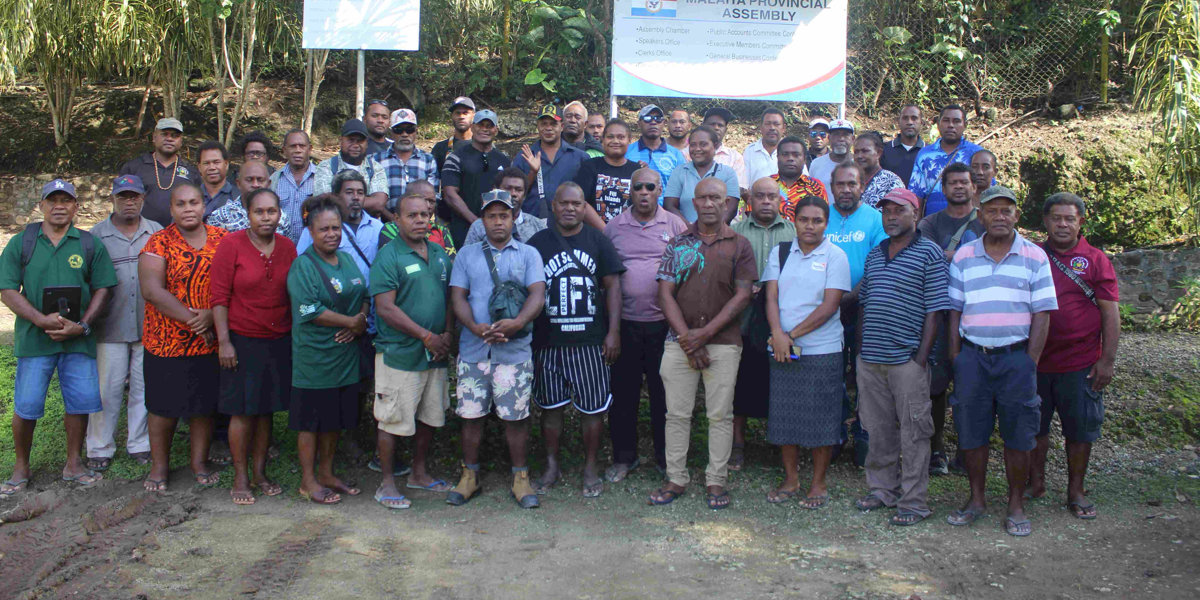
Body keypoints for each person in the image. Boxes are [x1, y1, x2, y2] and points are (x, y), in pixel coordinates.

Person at [946, 185, 1057, 537]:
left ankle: (1015, 504)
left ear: (1017, 216)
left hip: (1016, 359)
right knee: (972, 431)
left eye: (1006, 211)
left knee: (1019, 435)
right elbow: (954, 312)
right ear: (980, 215)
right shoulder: (964, 256)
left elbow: (1042, 314)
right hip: (973, 358)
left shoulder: (1035, 256)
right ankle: (976, 499)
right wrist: (956, 358)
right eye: (992, 210)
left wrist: (1030, 361)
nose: (999, 217)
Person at [0, 179, 118, 496]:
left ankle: (74, 463)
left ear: (76, 207)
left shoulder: (88, 243)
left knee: (78, 403)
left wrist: (82, 326)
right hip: (34, 339)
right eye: (52, 200)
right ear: (41, 205)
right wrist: (39, 320)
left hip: (77, 340)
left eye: (67, 200)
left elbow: (104, 288)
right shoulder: (22, 242)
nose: (59, 205)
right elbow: (7, 289)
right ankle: (21, 467)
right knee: (26, 405)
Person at [649, 178, 757, 511]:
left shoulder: (740, 245)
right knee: (676, 414)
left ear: (727, 204)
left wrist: (704, 335)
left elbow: (743, 296)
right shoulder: (678, 243)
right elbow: (664, 293)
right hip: (679, 343)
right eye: (703, 198)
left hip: (723, 344)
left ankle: (716, 480)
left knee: (720, 415)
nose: (709, 203)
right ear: (692, 203)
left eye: (716, 198)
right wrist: (689, 340)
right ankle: (676, 478)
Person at [853, 188, 949, 525]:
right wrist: (862, 349)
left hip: (907, 359)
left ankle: (914, 502)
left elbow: (936, 311)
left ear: (916, 214)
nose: (891, 217)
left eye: (899, 210)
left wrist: (920, 359)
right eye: (886, 211)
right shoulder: (875, 254)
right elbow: (865, 302)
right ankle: (883, 490)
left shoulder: (930, 253)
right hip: (871, 359)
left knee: (915, 433)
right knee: (877, 429)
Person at [447, 190, 546, 509]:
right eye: (491, 215)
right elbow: (458, 297)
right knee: (471, 415)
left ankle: (520, 477)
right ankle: (469, 476)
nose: (498, 221)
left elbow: (537, 295)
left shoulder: (529, 254)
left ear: (513, 217)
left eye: (504, 215)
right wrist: (473, 327)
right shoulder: (466, 255)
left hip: (514, 351)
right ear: (483, 219)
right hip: (474, 348)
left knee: (516, 417)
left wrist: (518, 322)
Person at [527, 183, 625, 497]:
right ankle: (552, 465)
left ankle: (590, 468)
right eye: (564, 203)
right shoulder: (538, 243)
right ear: (553, 206)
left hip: (590, 341)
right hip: (549, 340)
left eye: (577, 203)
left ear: (585, 207)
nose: (570, 208)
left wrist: (613, 332)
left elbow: (613, 286)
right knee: (550, 409)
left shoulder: (598, 240)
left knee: (593, 409)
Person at [1026, 192, 1119, 520]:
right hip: (1036, 362)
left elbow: (1110, 313)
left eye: (1069, 218)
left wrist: (1106, 361)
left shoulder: (1095, 260)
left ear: (1081, 222)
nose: (1062, 224)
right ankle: (1034, 484)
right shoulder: (1032, 255)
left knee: (1080, 431)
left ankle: (1076, 491)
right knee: (1034, 429)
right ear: (1045, 222)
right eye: (1056, 218)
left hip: (1080, 364)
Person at [369, 193, 457, 509]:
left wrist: (446, 333)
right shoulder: (388, 256)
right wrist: (425, 336)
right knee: (392, 419)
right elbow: (385, 308)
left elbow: (449, 299)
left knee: (430, 416)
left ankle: (418, 473)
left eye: (425, 215)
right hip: (400, 352)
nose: (420, 220)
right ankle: (387, 483)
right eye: (412, 215)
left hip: (435, 352)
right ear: (398, 219)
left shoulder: (440, 254)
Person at [762, 195, 850, 508]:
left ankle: (818, 483)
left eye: (817, 221)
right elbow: (770, 297)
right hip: (783, 347)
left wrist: (790, 335)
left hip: (822, 350)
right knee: (785, 413)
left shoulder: (835, 255)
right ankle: (790, 479)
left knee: (822, 417)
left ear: (827, 224)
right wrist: (777, 334)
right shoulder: (781, 252)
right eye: (804, 220)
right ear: (794, 220)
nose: (810, 226)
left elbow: (830, 305)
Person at [138, 184, 227, 492]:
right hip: (166, 341)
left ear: (204, 205)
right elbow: (152, 291)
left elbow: (233, 285)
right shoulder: (158, 241)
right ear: (171, 209)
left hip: (209, 340)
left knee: (203, 406)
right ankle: (160, 466)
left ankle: (198, 462)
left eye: (194, 202)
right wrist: (195, 319)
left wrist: (210, 319)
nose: (188, 208)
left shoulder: (223, 239)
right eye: (181, 204)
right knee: (163, 407)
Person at [211, 188, 297, 505]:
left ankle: (260, 472)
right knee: (242, 411)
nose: (266, 217)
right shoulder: (231, 244)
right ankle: (241, 476)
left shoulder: (287, 247)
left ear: (279, 214)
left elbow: (293, 292)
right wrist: (224, 342)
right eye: (259, 211)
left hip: (277, 339)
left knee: (265, 412)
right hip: (242, 339)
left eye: (271, 211)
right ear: (248, 213)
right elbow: (218, 297)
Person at [604, 168, 689, 482]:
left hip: (663, 325)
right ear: (630, 191)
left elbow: (688, 270)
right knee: (623, 395)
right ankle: (624, 458)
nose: (643, 192)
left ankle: (667, 460)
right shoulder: (614, 227)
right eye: (637, 186)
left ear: (659, 190)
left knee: (663, 395)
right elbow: (607, 277)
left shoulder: (675, 224)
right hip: (625, 324)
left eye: (650, 187)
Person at [287, 194, 370, 504]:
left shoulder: (346, 259)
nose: (332, 234)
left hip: (344, 358)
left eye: (336, 228)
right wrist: (351, 322)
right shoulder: (303, 266)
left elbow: (364, 291)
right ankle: (308, 480)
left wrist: (359, 319)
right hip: (314, 358)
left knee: (333, 419)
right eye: (324, 229)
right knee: (310, 422)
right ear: (310, 230)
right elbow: (309, 309)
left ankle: (326, 472)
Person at [85, 175, 162, 472]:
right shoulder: (95, 236)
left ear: (142, 198)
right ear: (113, 199)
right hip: (110, 327)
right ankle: (99, 447)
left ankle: (140, 444)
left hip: (149, 326)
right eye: (123, 196)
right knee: (107, 389)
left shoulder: (155, 232)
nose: (129, 202)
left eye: (134, 196)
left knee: (144, 388)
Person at [916, 162, 984, 475]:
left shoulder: (986, 222)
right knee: (937, 386)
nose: (958, 187)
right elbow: (925, 258)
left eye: (964, 182)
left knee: (973, 386)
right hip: (940, 313)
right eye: (952, 183)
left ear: (974, 187)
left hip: (980, 312)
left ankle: (967, 450)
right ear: (943, 190)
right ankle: (937, 450)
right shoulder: (930, 222)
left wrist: (951, 256)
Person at [728, 177, 797, 471]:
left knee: (782, 383)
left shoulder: (795, 231)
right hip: (742, 322)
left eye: (772, 196)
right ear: (750, 201)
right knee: (739, 385)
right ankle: (737, 446)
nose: (767, 201)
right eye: (761, 196)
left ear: (780, 200)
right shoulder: (734, 232)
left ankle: (780, 444)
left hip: (784, 321)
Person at [827, 162, 888, 465]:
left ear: (862, 186)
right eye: (841, 184)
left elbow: (878, 263)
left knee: (865, 372)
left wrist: (851, 296)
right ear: (831, 186)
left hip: (866, 309)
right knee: (832, 371)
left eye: (852, 184)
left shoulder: (876, 219)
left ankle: (865, 433)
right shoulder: (820, 216)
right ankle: (836, 430)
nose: (846, 189)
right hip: (826, 312)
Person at [442, 109, 512, 248]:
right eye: (480, 125)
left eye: (489, 126)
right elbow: (449, 194)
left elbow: (512, 193)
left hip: (497, 232)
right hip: (463, 230)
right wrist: (476, 222)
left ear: (496, 130)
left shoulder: (505, 161)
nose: (484, 129)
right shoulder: (456, 157)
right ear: (472, 127)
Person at [119, 118, 201, 228]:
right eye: (164, 134)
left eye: (174, 135)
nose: (169, 139)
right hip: (142, 235)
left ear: (181, 141)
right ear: (154, 137)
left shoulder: (191, 172)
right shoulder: (134, 168)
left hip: (181, 235)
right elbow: (120, 201)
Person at [908, 104, 988, 216]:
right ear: (938, 124)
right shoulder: (924, 155)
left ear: (965, 125)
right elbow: (917, 195)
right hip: (933, 222)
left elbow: (987, 190)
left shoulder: (977, 154)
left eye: (956, 121)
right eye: (946, 120)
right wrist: (917, 229)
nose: (951, 125)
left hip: (969, 222)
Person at [512, 105, 588, 218]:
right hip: (532, 224)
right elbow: (515, 196)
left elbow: (587, 197)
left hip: (568, 224)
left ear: (562, 126)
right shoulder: (524, 156)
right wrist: (533, 172)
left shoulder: (580, 157)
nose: (548, 128)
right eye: (544, 124)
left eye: (553, 124)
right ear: (537, 126)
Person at [663, 126, 741, 223]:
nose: (697, 149)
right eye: (692, 145)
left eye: (703, 144)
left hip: (720, 234)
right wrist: (690, 230)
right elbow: (670, 206)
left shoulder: (728, 173)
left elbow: (731, 209)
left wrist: (713, 231)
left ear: (715, 146)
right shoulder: (679, 172)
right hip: (687, 234)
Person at [573, 119, 639, 224]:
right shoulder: (589, 166)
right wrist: (606, 231)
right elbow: (580, 202)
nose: (615, 141)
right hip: (594, 235)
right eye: (610, 137)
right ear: (602, 140)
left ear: (629, 140)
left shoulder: (637, 171)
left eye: (621, 137)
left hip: (627, 235)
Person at [313, 119, 389, 209]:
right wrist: (363, 203)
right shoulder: (326, 166)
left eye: (360, 141)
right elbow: (325, 201)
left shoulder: (375, 168)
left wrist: (340, 203)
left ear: (367, 143)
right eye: (351, 140)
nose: (356, 145)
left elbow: (378, 203)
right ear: (341, 141)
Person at [377, 108, 439, 217]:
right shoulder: (376, 160)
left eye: (409, 129)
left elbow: (433, 198)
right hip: (385, 226)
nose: (404, 134)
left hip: (419, 225)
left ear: (416, 131)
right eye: (398, 130)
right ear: (391, 133)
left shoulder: (428, 160)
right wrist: (394, 221)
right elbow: (373, 196)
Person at [462, 169, 547, 246]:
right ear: (495, 189)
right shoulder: (479, 226)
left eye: (518, 190)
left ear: (524, 195)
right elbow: (467, 259)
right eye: (508, 188)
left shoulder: (538, 226)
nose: (513, 193)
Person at [208, 161, 293, 234]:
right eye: (249, 180)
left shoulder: (281, 218)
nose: (255, 185)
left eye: (260, 180)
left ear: (269, 184)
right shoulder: (220, 217)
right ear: (238, 183)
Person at [379, 179, 458, 256]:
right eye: (422, 200)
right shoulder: (391, 229)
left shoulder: (442, 231)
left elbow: (450, 264)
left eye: (432, 201)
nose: (428, 206)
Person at [626, 104, 686, 194]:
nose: (653, 122)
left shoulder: (676, 155)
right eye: (647, 118)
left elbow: (683, 187)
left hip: (666, 207)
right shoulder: (627, 152)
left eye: (658, 118)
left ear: (664, 123)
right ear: (639, 124)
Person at [270, 129, 316, 242]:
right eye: (293, 146)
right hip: (280, 248)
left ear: (309, 149)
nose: (297, 150)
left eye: (302, 146)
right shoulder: (274, 180)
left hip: (312, 249)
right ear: (284, 150)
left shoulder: (321, 178)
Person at [771, 136, 827, 220]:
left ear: (804, 160)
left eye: (796, 155)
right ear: (777, 158)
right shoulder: (765, 185)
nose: (790, 159)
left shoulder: (817, 187)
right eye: (785, 154)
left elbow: (824, 219)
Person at [702, 107, 749, 197]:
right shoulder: (690, 153)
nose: (716, 128)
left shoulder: (735, 158)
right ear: (703, 126)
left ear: (725, 130)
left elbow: (738, 189)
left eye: (720, 125)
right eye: (712, 124)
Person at [854, 132, 905, 208]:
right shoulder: (851, 180)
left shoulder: (891, 182)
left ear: (878, 153)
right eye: (856, 152)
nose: (859, 156)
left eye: (865, 151)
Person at [880, 105, 926, 186]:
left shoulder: (929, 151)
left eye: (914, 118)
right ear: (898, 122)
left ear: (921, 122)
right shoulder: (884, 150)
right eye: (905, 118)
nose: (909, 122)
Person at [809, 119, 856, 199]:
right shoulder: (816, 164)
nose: (841, 139)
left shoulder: (858, 163)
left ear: (853, 139)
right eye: (836, 135)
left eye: (845, 135)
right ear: (829, 138)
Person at [431, 96, 475, 177]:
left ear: (473, 115)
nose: (461, 117)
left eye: (465, 113)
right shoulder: (440, 149)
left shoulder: (484, 147)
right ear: (452, 116)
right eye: (457, 113)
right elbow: (433, 181)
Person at [744, 108, 788, 185]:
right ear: (761, 127)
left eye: (776, 124)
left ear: (783, 128)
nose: (772, 128)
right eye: (768, 124)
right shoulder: (750, 151)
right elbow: (744, 184)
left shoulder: (790, 151)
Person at [197, 141, 238, 219]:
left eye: (216, 162)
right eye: (206, 163)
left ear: (226, 164)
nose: (212, 167)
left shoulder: (238, 197)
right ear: (199, 167)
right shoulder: (191, 197)